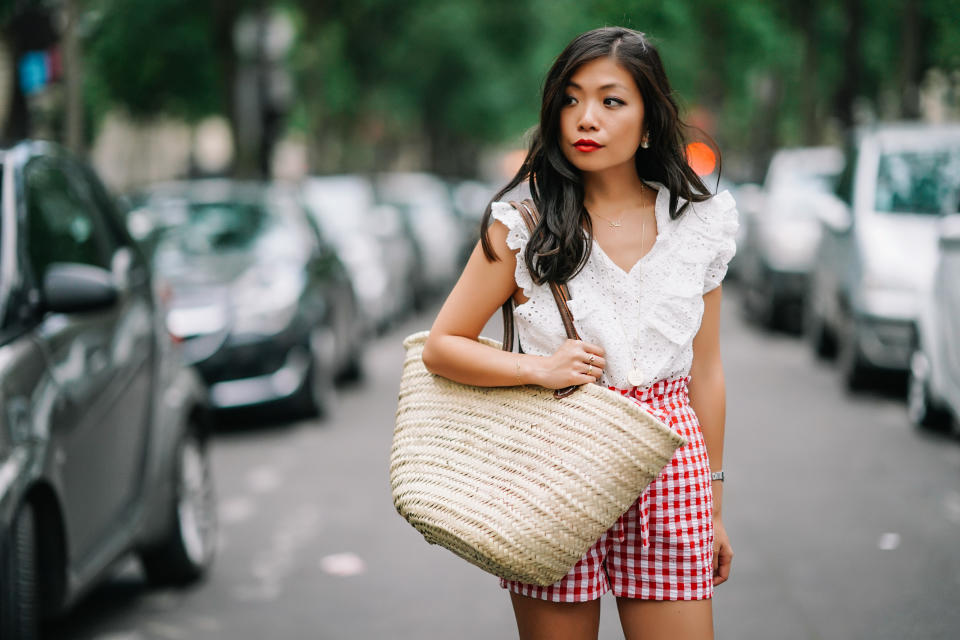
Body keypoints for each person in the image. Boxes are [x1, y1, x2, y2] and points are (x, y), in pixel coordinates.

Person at [421, 26, 735, 640]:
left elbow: (708, 370)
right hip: (555, 463)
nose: (585, 118)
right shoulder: (525, 224)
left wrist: (715, 506)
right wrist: (539, 368)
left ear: (649, 119)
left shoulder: (699, 223)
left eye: (611, 101)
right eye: (570, 99)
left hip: (669, 468)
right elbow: (442, 345)